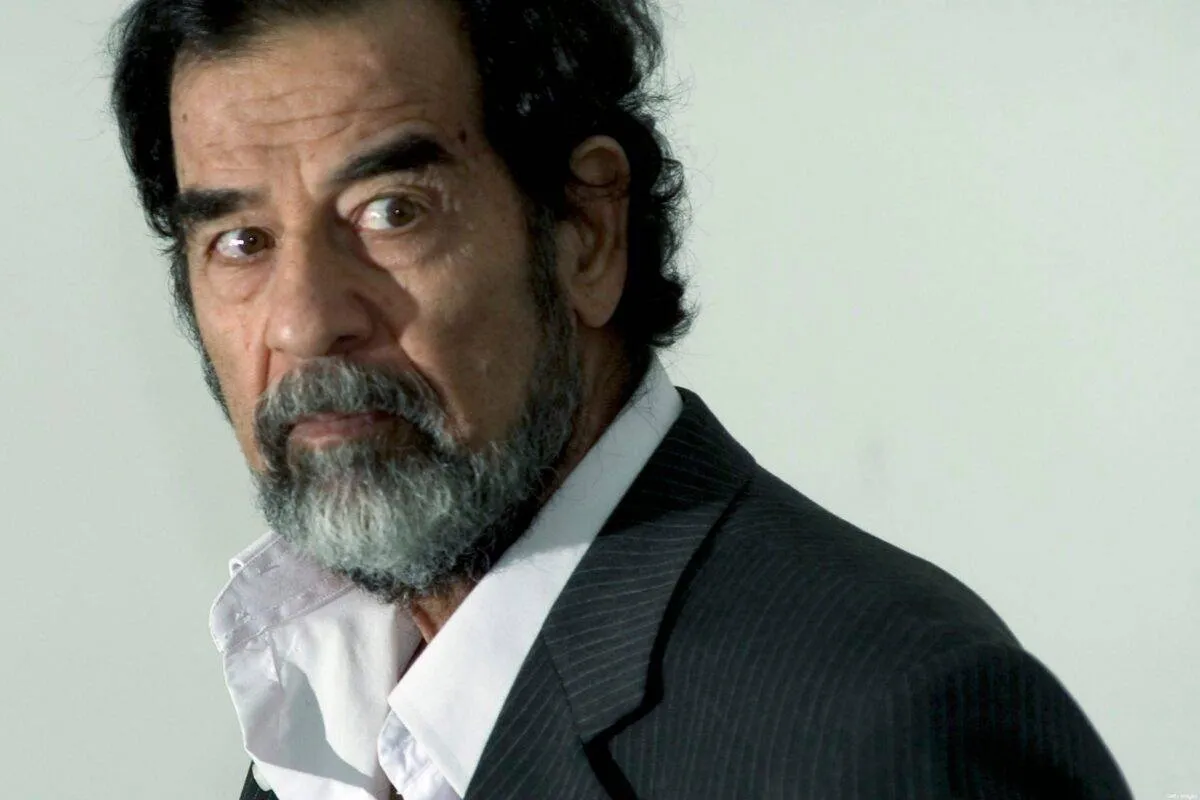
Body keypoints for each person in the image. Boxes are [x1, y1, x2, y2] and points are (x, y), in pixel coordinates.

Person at [109, 1, 1133, 798]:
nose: (302, 320)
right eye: (239, 241)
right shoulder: (322, 714)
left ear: (587, 231)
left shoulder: (887, 730)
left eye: (391, 212)